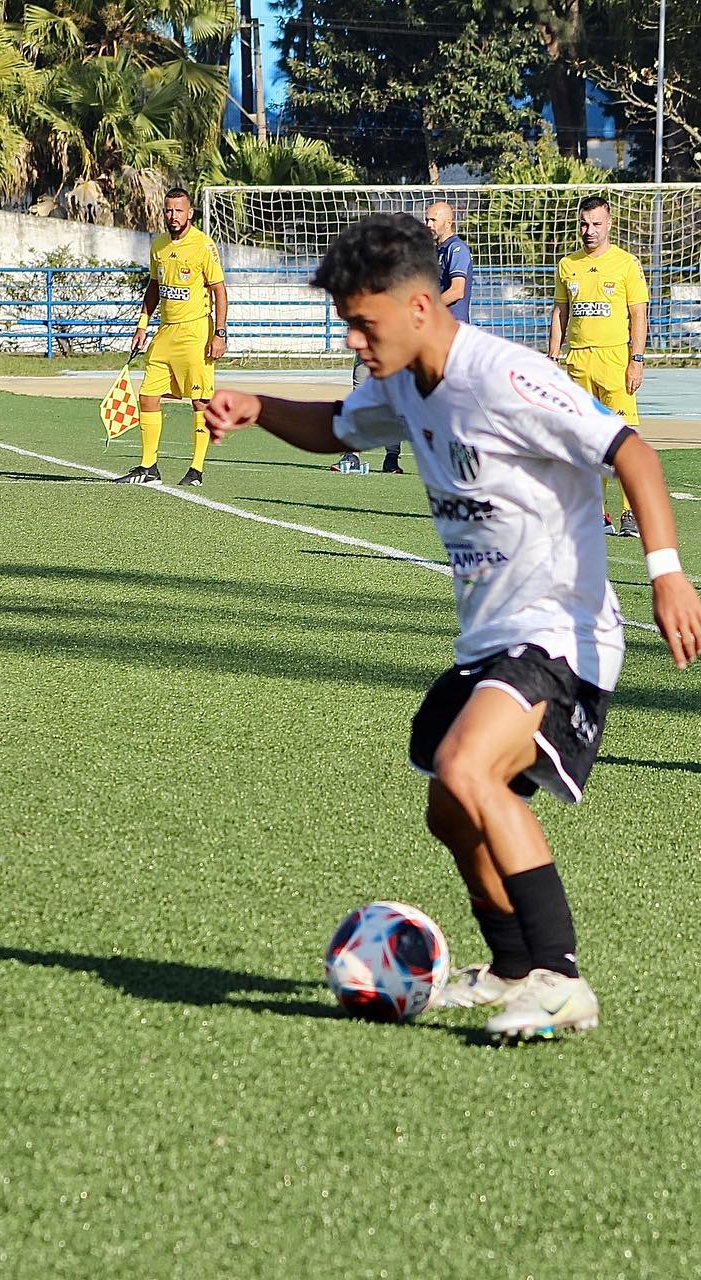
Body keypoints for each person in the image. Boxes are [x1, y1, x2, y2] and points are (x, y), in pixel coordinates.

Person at [204, 213, 701, 1041]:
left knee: (470, 767)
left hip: (561, 633)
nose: (357, 342)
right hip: (489, 638)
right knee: (449, 804)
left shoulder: (503, 375)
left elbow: (630, 452)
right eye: (349, 326)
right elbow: (337, 427)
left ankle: (560, 979)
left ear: (422, 306)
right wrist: (256, 406)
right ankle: (510, 971)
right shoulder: (401, 381)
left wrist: (667, 574)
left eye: (365, 324)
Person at [332, 201, 472, 476]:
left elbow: (454, 291)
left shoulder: (451, 251)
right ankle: (359, 454)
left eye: (432, 220)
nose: (428, 225)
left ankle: (412, 457)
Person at [548, 194, 649, 537]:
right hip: (578, 361)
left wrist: (636, 359)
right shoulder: (568, 264)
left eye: (595, 224)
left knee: (623, 440)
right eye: (583, 223)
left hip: (615, 360)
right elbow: (560, 312)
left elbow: (638, 314)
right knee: (585, 442)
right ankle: (595, 512)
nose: (588, 230)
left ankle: (630, 513)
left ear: (609, 224)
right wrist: (553, 355)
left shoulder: (626, 263)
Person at [115, 188, 227, 487]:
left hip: (195, 333)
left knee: (199, 401)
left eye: (179, 210)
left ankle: (196, 470)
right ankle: (148, 467)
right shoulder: (159, 246)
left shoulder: (204, 245)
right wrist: (142, 325)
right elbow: (154, 286)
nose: (173, 216)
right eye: (168, 210)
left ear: (190, 213)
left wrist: (220, 333)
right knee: (148, 397)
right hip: (165, 333)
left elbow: (219, 290)